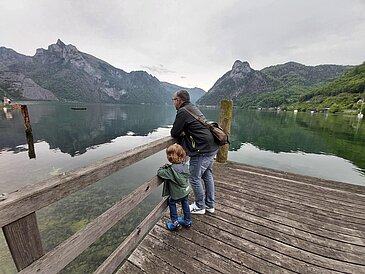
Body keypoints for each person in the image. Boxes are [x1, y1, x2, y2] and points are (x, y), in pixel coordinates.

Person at [171, 90, 218, 214]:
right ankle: (209, 205)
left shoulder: (182, 111)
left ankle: (199, 206)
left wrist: (182, 132)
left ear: (179, 100)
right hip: (212, 145)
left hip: (202, 149)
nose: (173, 102)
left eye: (174, 100)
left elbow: (174, 132)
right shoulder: (192, 108)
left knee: (194, 178)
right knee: (207, 175)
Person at [157, 143, 192, 231]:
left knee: (171, 202)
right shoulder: (185, 166)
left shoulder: (170, 170)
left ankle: (175, 223)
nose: (169, 156)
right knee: (185, 203)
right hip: (186, 191)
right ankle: (187, 222)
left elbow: (160, 172)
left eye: (170, 154)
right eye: (168, 154)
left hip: (177, 194)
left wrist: (163, 167)